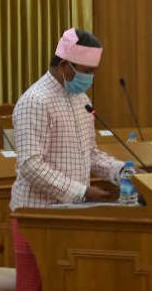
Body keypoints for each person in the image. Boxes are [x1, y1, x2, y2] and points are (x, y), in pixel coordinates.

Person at [9, 28, 128, 210]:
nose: (90, 78)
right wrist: (81, 192)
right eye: (87, 71)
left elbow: (89, 154)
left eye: (93, 72)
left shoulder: (82, 100)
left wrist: (123, 171)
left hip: (72, 212)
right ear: (64, 65)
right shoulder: (35, 101)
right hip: (37, 214)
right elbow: (31, 165)